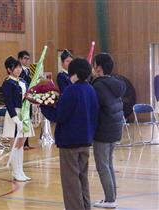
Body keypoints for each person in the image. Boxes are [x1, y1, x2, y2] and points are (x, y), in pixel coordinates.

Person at [41, 58, 99, 210]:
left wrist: (44, 105)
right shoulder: (91, 89)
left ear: (73, 73)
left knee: (71, 183)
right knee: (82, 179)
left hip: (70, 142)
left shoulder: (71, 90)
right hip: (85, 140)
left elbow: (59, 116)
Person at [92, 53, 126, 209]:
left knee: (102, 165)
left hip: (103, 131)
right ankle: (111, 197)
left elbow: (94, 109)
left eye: (94, 64)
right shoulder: (116, 83)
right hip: (114, 129)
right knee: (108, 163)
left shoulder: (98, 85)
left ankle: (110, 199)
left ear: (98, 67)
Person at [1, 56, 35, 182]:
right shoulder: (7, 83)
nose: (18, 70)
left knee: (21, 145)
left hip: (24, 115)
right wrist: (16, 119)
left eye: (19, 67)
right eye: (15, 68)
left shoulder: (22, 81)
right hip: (14, 115)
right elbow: (9, 103)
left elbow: (26, 97)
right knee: (15, 144)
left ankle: (21, 170)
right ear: (9, 69)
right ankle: (15, 172)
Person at [18, 50, 34, 150]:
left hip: (29, 98)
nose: (27, 60)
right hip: (22, 99)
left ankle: (26, 143)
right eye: (25, 58)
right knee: (23, 120)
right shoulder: (19, 70)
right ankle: (22, 143)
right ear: (20, 59)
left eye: (28, 59)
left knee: (28, 119)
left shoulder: (29, 70)